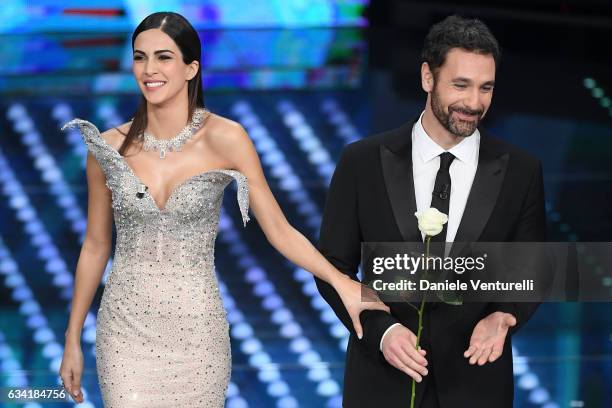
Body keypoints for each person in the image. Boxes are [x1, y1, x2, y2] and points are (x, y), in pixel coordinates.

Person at [58, 11, 389, 407]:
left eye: (163, 57)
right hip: (125, 333)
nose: (149, 69)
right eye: (140, 57)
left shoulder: (226, 138)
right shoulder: (108, 147)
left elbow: (278, 230)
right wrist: (72, 337)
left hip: (199, 333)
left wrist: (342, 283)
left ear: (190, 67)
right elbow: (95, 246)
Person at [314, 15, 545, 407]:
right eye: (461, 85)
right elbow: (333, 265)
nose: (474, 103)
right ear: (427, 77)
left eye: (485, 88)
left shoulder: (521, 170)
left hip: (477, 384)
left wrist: (505, 314)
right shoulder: (362, 161)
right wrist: (381, 329)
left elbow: (530, 266)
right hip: (383, 379)